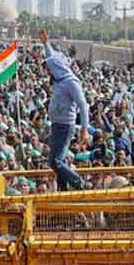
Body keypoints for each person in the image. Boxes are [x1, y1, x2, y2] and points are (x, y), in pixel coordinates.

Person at [39, 29, 89, 191]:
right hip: (56, 124)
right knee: (55, 161)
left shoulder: (71, 82)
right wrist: (45, 43)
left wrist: (84, 129)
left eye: (48, 68)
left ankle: (78, 183)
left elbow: (83, 105)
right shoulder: (59, 79)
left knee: (55, 162)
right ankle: (63, 188)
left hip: (65, 125)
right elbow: (52, 57)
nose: (47, 70)